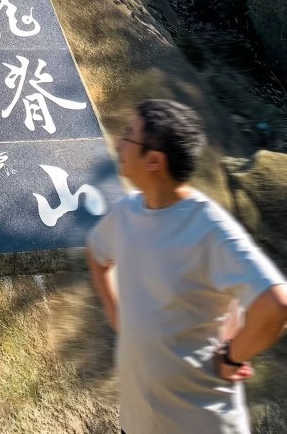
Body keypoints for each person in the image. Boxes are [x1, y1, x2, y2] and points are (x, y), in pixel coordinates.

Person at [88, 97, 287, 434]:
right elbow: (97, 254)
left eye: (129, 136)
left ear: (154, 160)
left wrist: (232, 357)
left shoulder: (209, 229)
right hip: (138, 421)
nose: (120, 144)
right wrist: (118, 315)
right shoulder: (126, 213)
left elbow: (276, 305)